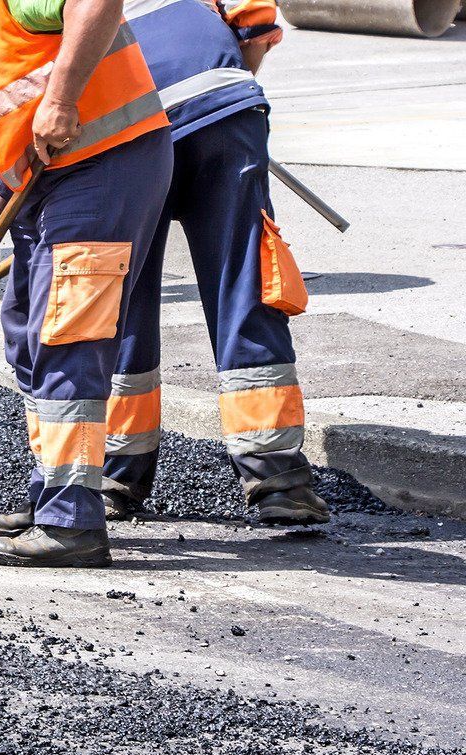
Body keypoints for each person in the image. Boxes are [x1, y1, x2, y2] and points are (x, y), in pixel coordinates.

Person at [0, 0, 175, 567]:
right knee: (25, 330)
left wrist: (63, 98)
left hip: (104, 164)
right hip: (45, 181)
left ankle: (72, 521)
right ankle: (52, 490)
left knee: (68, 336)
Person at [101, 0, 328, 524]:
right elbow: (255, 27)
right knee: (242, 279)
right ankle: (277, 480)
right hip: (220, 109)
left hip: (121, 122)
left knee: (122, 291)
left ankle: (115, 475)